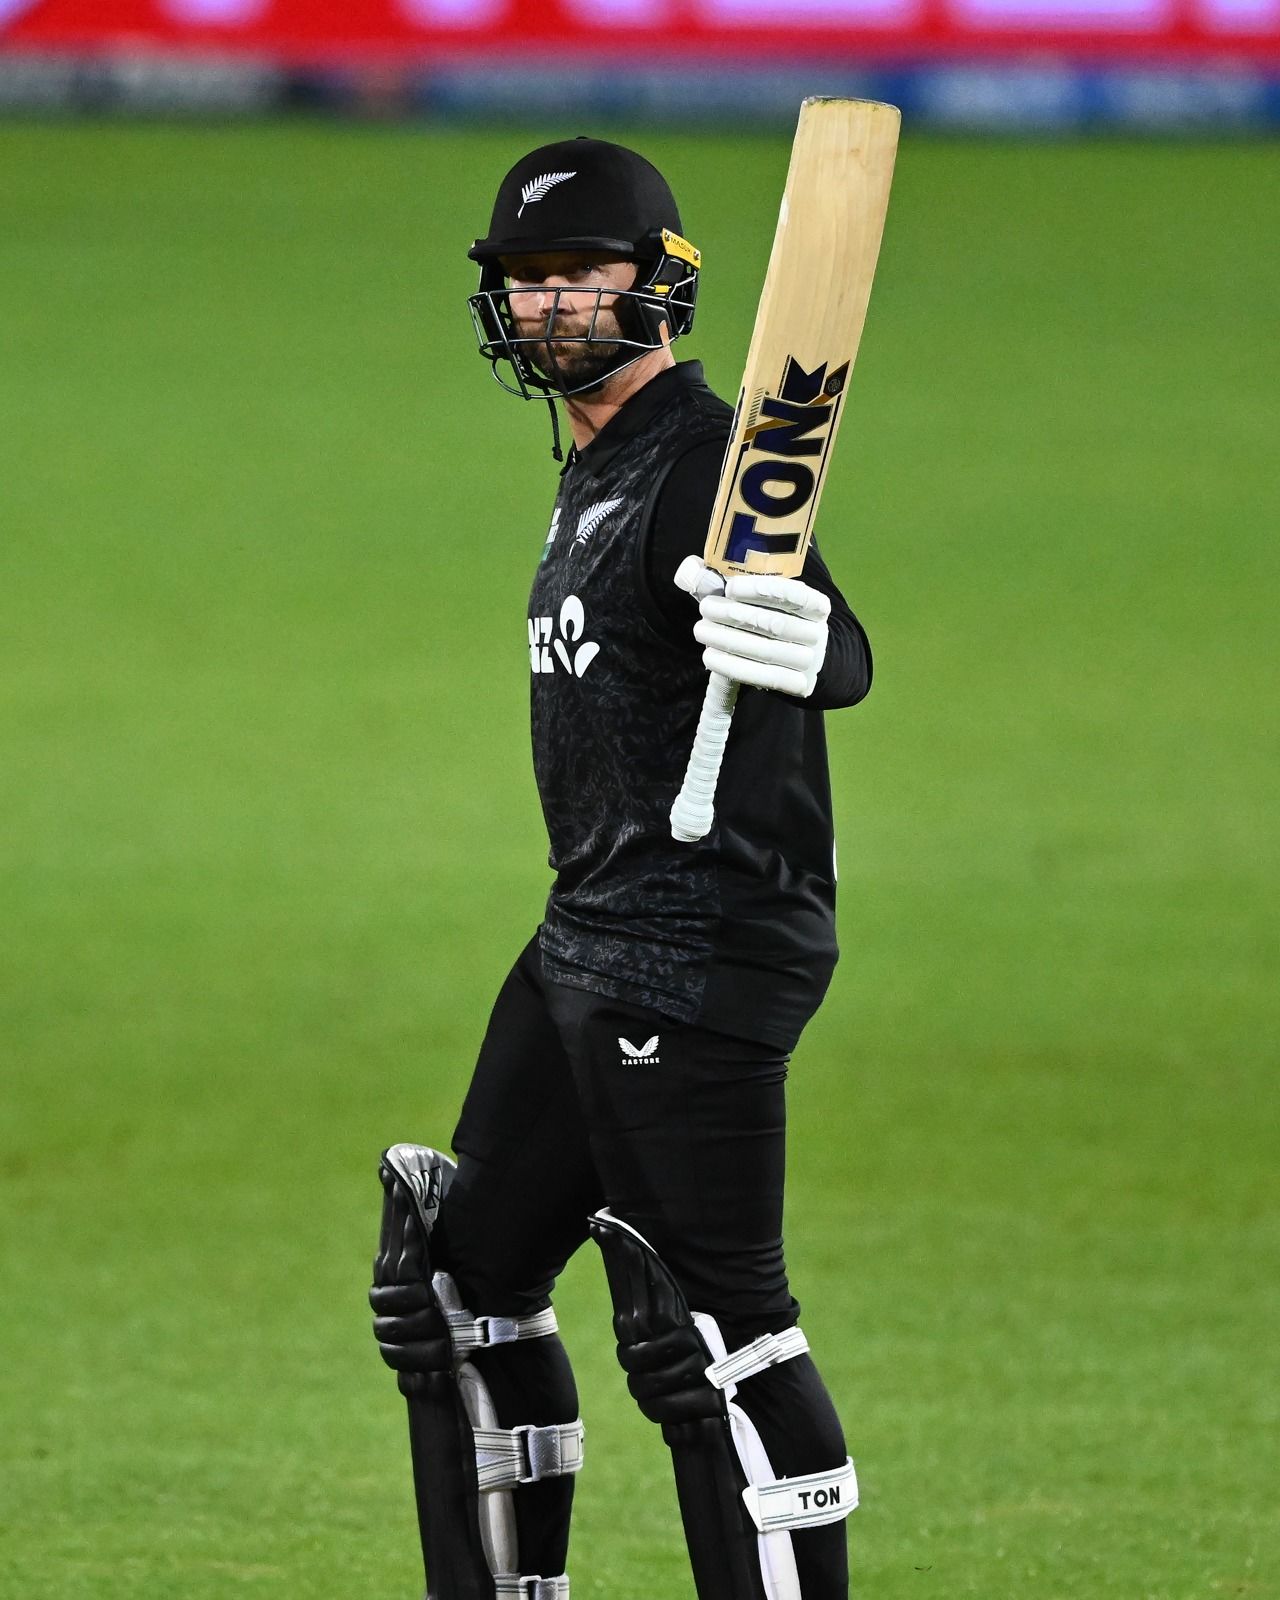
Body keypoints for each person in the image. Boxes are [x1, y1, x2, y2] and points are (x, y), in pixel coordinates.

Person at [369, 135, 873, 1600]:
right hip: (588, 933)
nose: (549, 307)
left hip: (704, 950)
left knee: (715, 1340)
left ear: (657, 288)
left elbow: (832, 638)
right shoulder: (596, 464)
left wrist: (809, 647)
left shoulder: (713, 465)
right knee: (458, 1294)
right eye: (524, 282)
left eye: (580, 277)